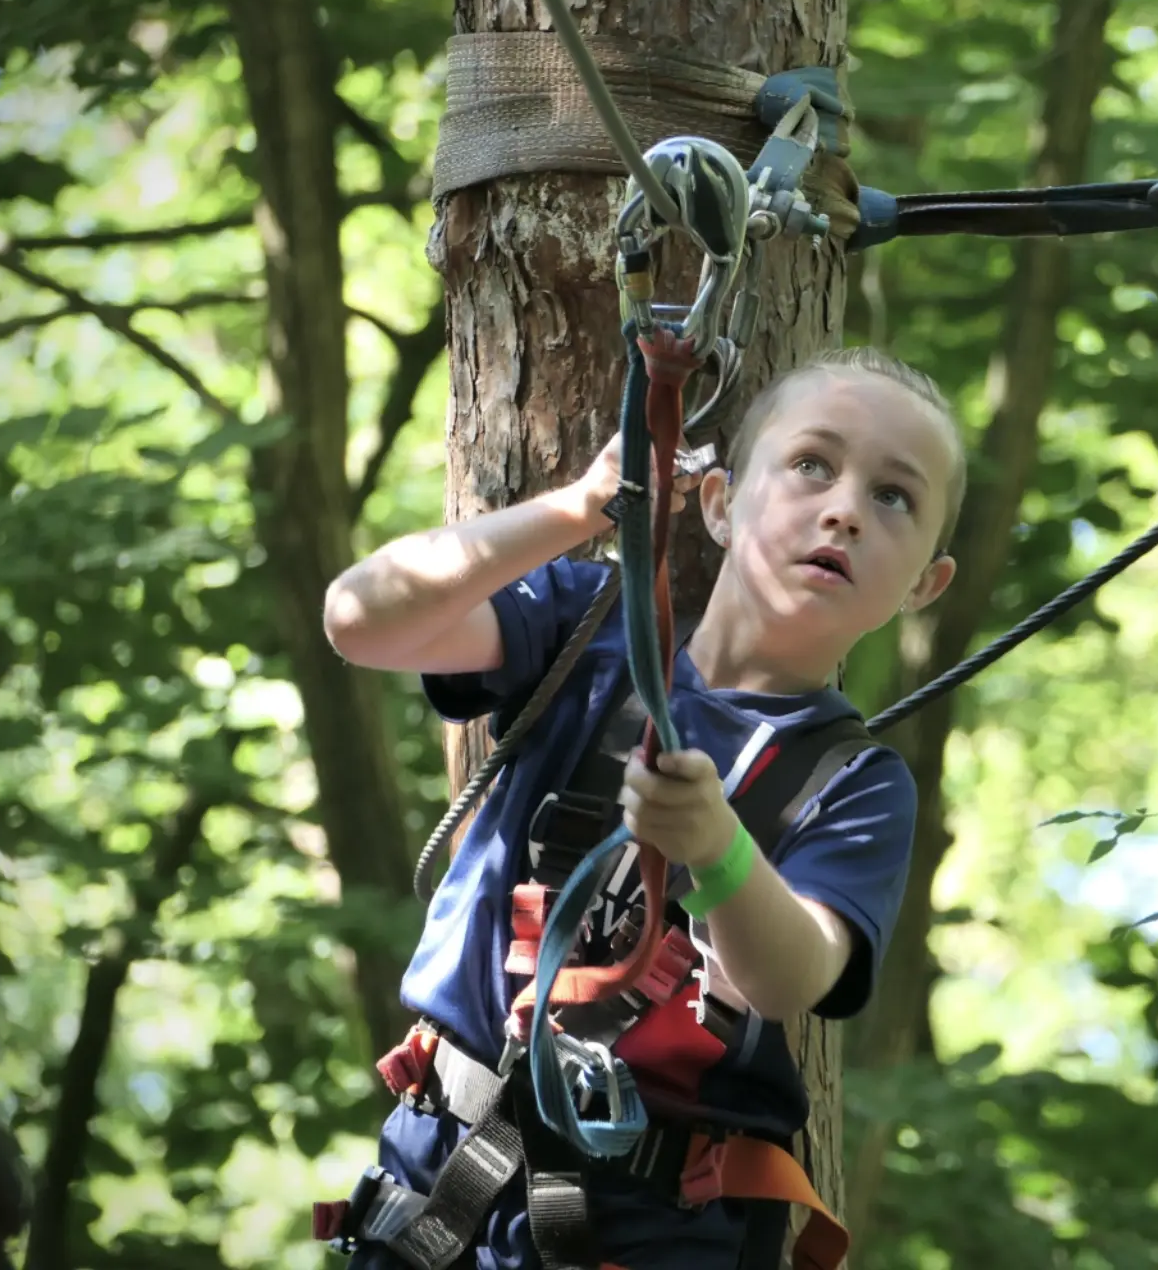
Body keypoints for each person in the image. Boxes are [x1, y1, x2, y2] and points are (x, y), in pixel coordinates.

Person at [319, 346, 966, 1270]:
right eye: (812, 465)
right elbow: (360, 617)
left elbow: (792, 977)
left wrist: (718, 847)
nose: (844, 510)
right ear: (718, 503)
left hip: (651, 1232)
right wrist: (581, 508)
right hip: (439, 1191)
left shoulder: (854, 782)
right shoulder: (589, 627)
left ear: (923, 587)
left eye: (894, 497)